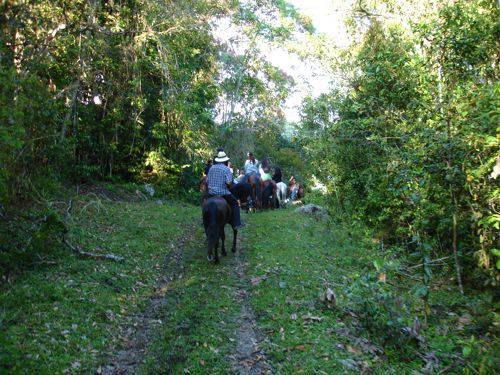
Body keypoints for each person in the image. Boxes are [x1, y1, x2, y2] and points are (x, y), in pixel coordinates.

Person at [206, 151, 245, 229]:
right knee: (235, 204)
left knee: (205, 204)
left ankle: (205, 221)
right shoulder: (226, 169)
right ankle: (237, 223)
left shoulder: (211, 168)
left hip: (211, 193)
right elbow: (229, 183)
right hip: (223, 193)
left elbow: (207, 181)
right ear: (225, 161)